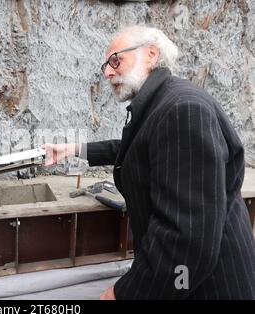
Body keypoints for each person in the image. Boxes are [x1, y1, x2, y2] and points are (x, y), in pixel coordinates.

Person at [42, 25, 255, 299]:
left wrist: (125, 294)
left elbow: (186, 240)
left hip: (208, 287)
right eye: (106, 65)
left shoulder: (182, 110)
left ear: (151, 54)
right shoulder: (167, 103)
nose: (107, 72)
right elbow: (136, 147)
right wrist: (75, 149)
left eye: (115, 60)